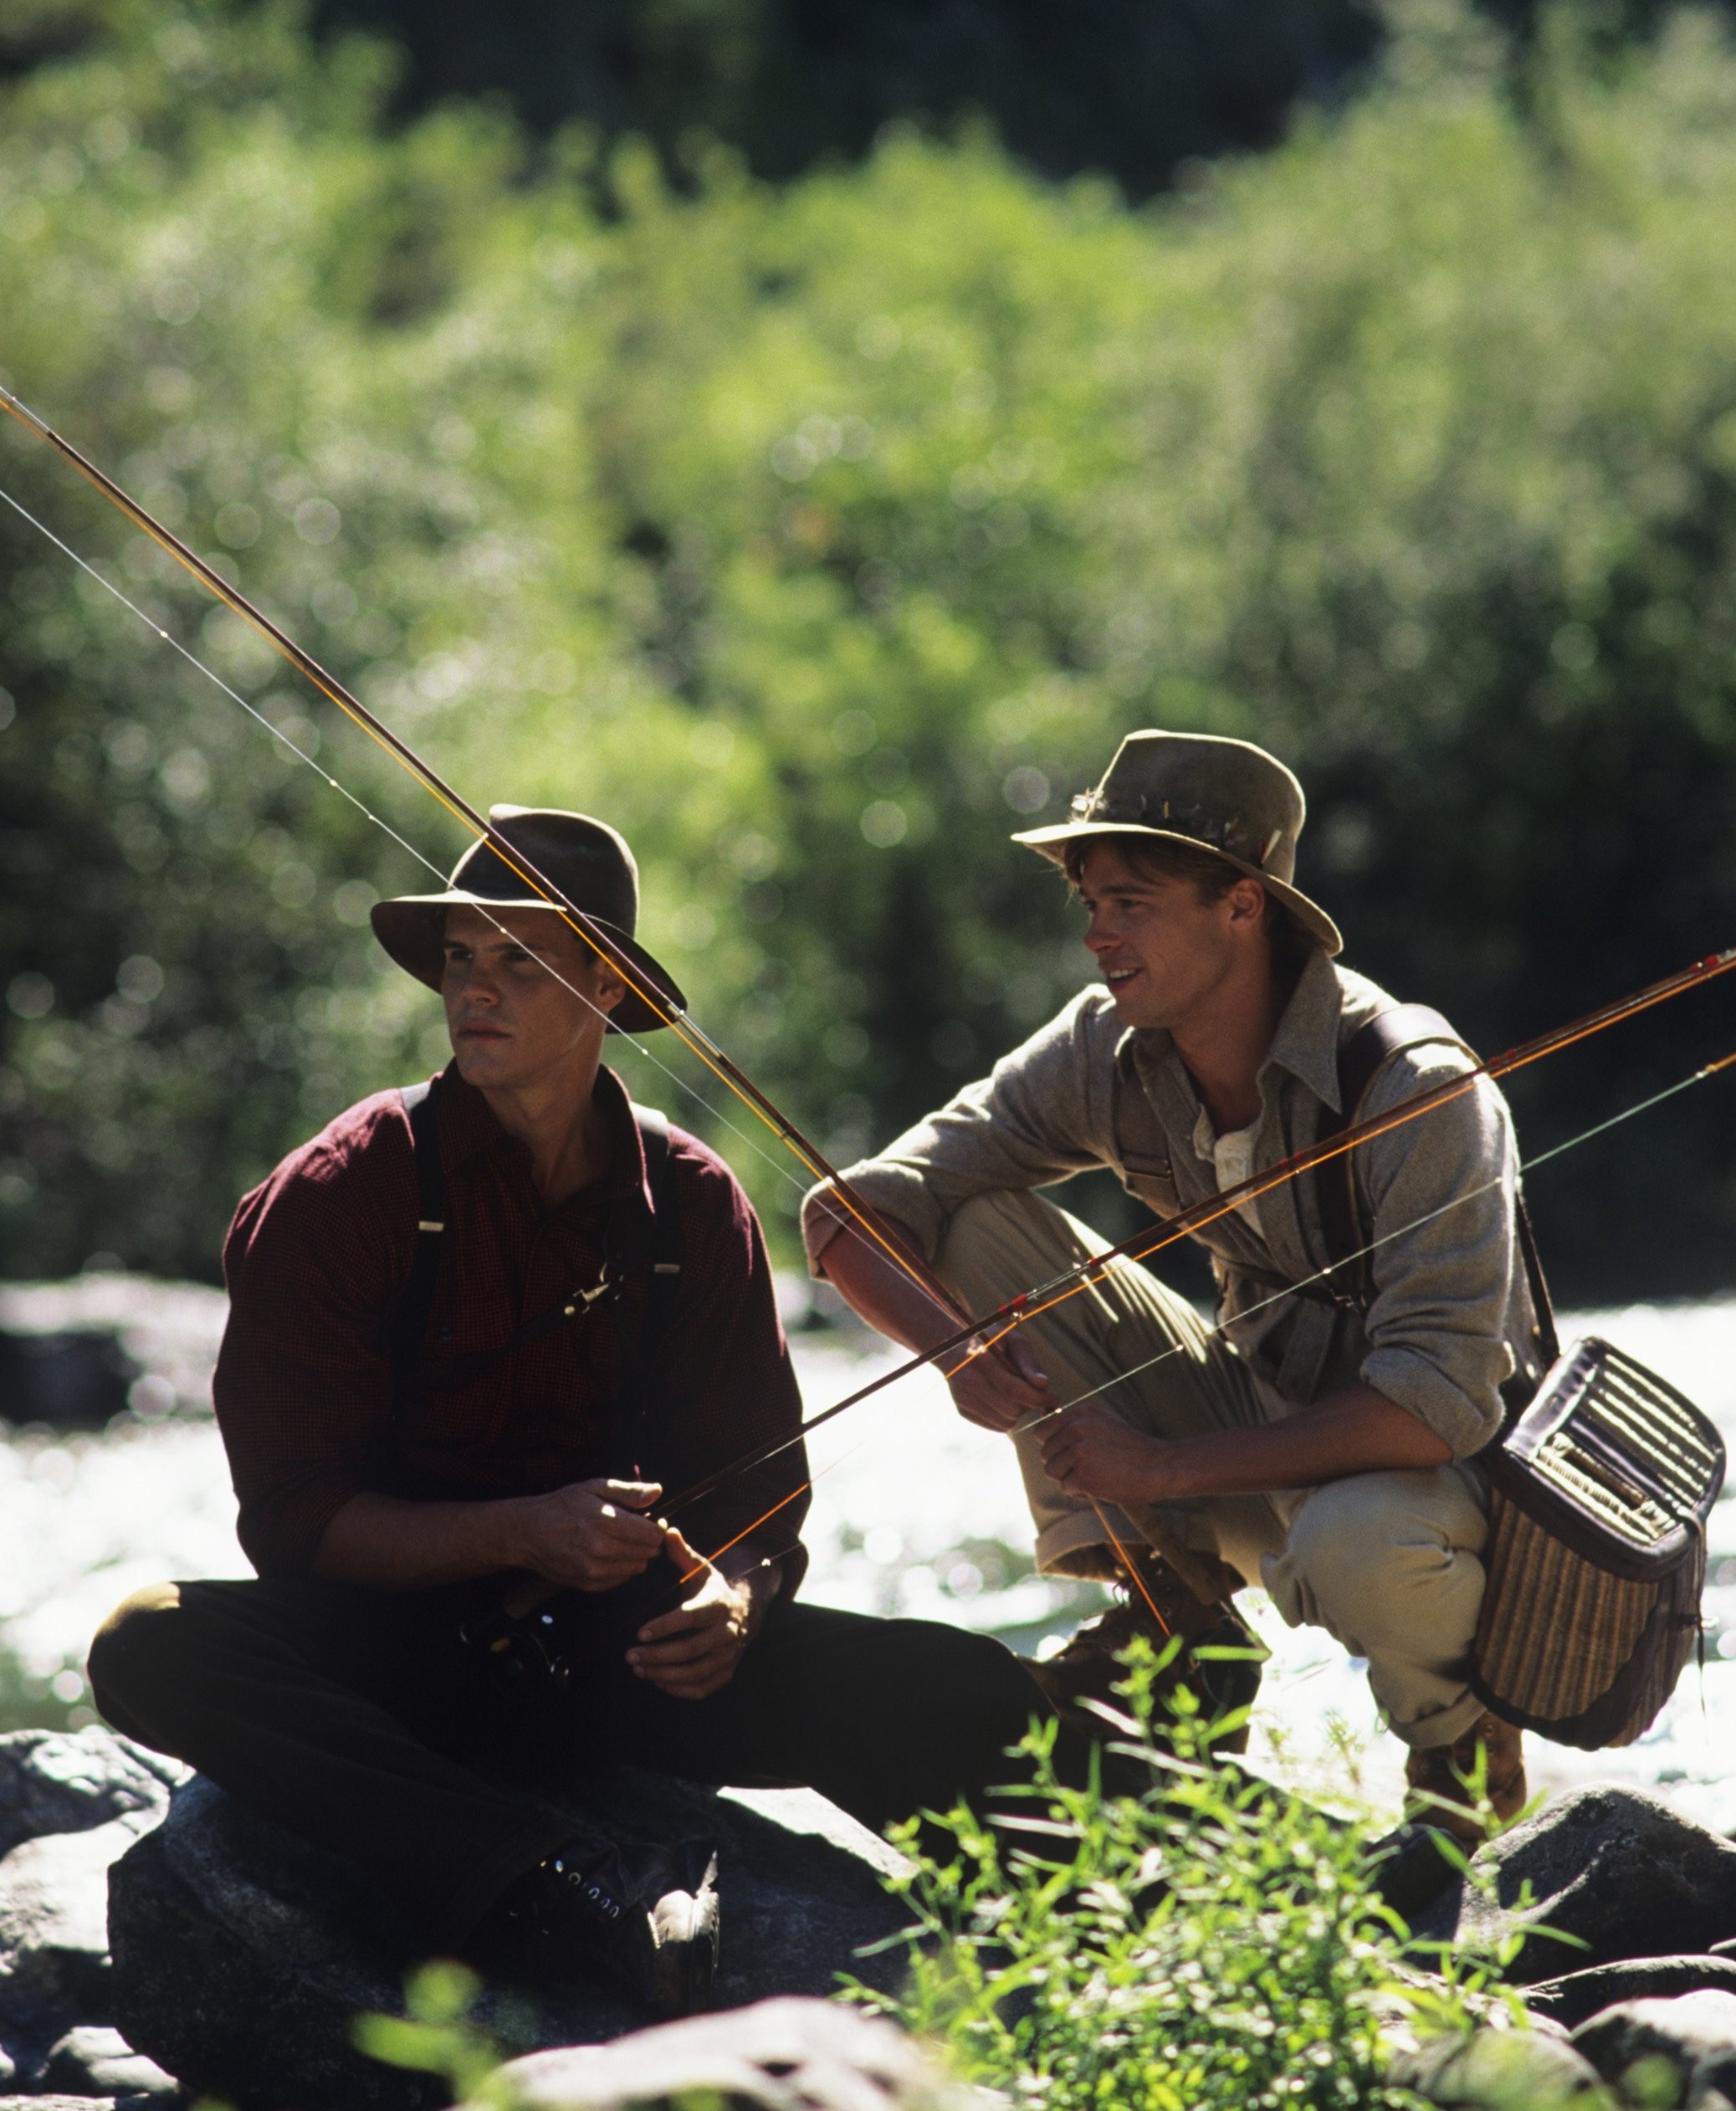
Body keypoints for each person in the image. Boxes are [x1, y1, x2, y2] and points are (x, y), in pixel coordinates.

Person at [90, 807, 1064, 2018]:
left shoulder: (696, 1207)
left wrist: (737, 1599)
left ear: (608, 984)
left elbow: (755, 1507)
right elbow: (295, 1521)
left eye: (519, 959)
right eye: (461, 958)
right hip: (381, 1657)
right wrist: (523, 1531)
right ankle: (552, 1882)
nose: (475, 991)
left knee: (951, 1680)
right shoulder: (344, 1191)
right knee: (149, 1644)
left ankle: (1110, 1930)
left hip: (618, 1660)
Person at [802, 730, 1549, 1838]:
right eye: (1092, 904)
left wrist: (1160, 1466)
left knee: (1353, 1542)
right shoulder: (1102, 1049)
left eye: (1132, 903)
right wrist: (956, 1350)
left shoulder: (1415, 1085)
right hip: (1257, 1436)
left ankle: (1457, 1754)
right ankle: (1174, 1616)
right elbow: (849, 1213)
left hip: (1450, 1496)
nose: (1098, 936)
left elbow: (1435, 1405)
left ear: (1242, 907)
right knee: (961, 1217)